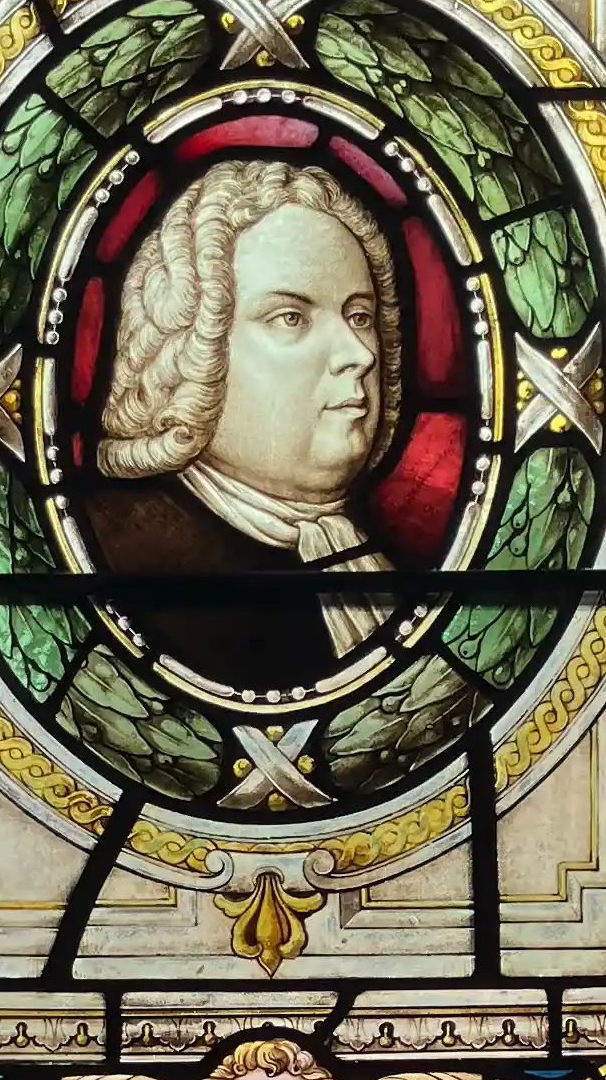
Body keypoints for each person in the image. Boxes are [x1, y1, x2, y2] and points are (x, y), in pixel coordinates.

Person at [78, 156, 405, 688]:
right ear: (191, 352)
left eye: (360, 317)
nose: (358, 354)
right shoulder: (123, 558)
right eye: (290, 318)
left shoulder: (371, 564)